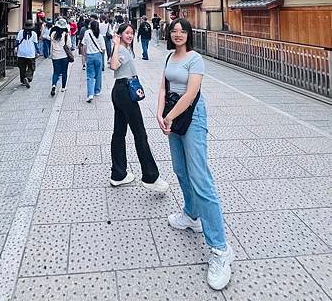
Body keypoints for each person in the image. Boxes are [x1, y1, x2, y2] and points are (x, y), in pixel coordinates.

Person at [157, 18, 234, 291]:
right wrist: (159, 112)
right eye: (174, 30)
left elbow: (191, 94)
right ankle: (191, 215)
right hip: (173, 117)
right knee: (180, 170)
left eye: (182, 31)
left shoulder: (195, 59)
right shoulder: (169, 57)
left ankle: (220, 250)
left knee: (201, 179)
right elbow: (164, 87)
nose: (178, 34)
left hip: (191, 118)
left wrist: (168, 116)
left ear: (189, 35)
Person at [109, 23, 169, 192]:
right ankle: (151, 176)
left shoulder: (126, 49)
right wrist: (115, 44)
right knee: (140, 133)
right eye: (126, 32)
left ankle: (118, 174)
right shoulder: (120, 49)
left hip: (120, 90)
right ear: (119, 34)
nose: (130, 35)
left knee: (119, 132)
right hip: (125, 92)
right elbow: (113, 66)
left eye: (131, 33)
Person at [82, 20, 105, 102]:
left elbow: (84, 45)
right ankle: (97, 91)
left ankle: (90, 94)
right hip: (98, 55)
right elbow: (103, 49)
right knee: (98, 74)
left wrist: (84, 55)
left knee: (90, 76)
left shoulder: (87, 33)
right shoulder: (100, 35)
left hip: (90, 56)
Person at [15, 19, 39, 89]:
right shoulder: (34, 34)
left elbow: (17, 41)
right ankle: (28, 78)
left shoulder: (20, 32)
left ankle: (23, 81)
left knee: (22, 67)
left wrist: (16, 47)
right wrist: (38, 51)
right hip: (30, 53)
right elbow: (35, 44)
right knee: (31, 67)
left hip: (21, 52)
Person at [50, 18, 71, 96]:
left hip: (55, 56)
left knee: (56, 72)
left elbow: (51, 45)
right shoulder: (66, 34)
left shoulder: (52, 34)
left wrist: (51, 54)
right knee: (64, 71)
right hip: (64, 56)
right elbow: (69, 45)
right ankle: (63, 87)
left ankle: (54, 85)